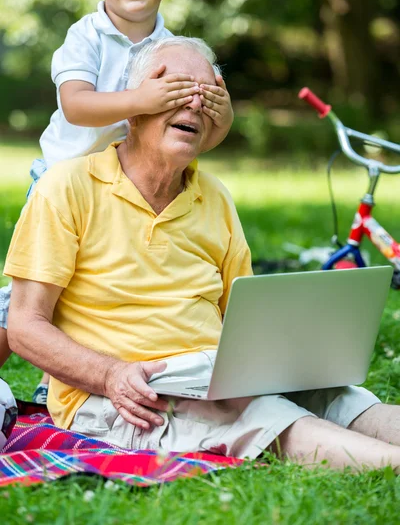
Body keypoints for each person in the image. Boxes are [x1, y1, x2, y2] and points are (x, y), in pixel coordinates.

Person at [5, 36, 400, 471]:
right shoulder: (66, 188)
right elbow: (25, 325)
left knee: (344, 399)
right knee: (263, 417)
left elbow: (243, 316)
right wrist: (110, 374)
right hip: (127, 393)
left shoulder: (215, 197)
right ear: (135, 105)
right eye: (175, 89)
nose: (193, 104)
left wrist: (289, 362)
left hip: (213, 376)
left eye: (207, 94)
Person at [0, 0, 233, 403]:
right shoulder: (84, 37)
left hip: (128, 182)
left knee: (97, 288)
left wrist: (221, 114)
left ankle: (56, 382)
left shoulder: (173, 47)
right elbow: (76, 106)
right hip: (65, 180)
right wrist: (141, 98)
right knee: (25, 302)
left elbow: (207, 127)